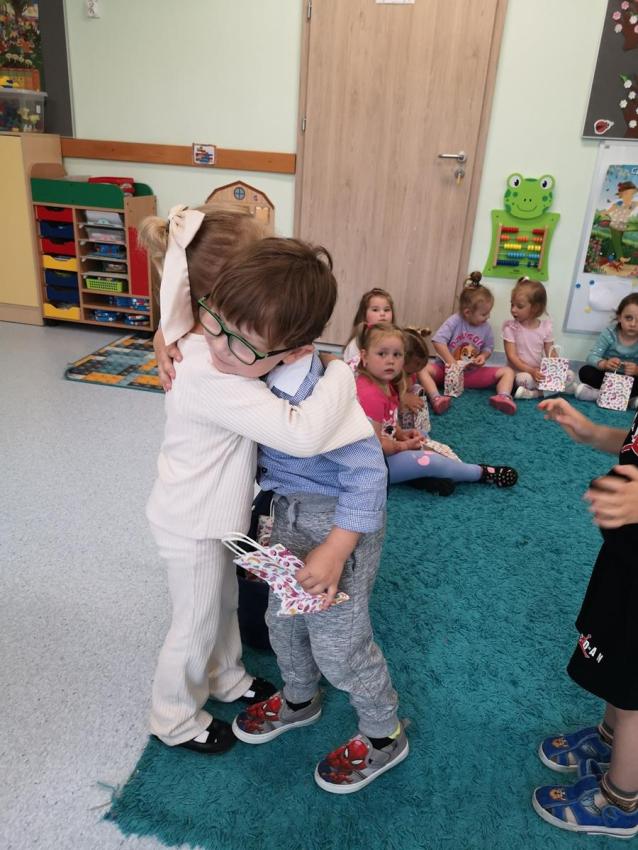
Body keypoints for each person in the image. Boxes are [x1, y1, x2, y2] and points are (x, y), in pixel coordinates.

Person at [143, 206, 373, 756]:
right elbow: (301, 433)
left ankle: (226, 678)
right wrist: (343, 372)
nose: (228, 347)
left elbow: (177, 303)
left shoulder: (197, 334)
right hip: (191, 522)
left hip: (209, 517)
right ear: (216, 298)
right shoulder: (218, 375)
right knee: (194, 624)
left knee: (221, 606)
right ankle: (173, 718)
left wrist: (162, 329)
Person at [230, 251, 409, 796]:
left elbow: (369, 475)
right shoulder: (258, 369)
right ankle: (300, 699)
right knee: (283, 623)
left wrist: (335, 549)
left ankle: (384, 734)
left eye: (238, 340)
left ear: (294, 346)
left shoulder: (322, 394)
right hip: (287, 513)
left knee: (339, 644)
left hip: (337, 526)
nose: (223, 349)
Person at [532, 397, 638, 838]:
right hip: (627, 555)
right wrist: (595, 434)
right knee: (616, 657)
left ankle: (621, 800)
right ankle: (611, 739)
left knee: (634, 691)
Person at [355, 322, 518, 488]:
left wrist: (401, 433)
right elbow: (375, 447)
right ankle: (481, 473)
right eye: (382, 354)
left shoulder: (384, 383)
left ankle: (422, 476)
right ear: (364, 356)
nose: (390, 361)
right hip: (368, 468)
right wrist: (403, 446)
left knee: (421, 434)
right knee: (430, 460)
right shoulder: (371, 395)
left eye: (397, 355)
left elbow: (387, 422)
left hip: (381, 452)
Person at [343, 288, 451, 414]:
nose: (382, 314)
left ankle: (434, 397)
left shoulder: (394, 337)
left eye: (386, 310)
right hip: (364, 387)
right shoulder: (357, 344)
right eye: (375, 310)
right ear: (364, 315)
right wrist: (402, 397)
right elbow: (357, 379)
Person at [427, 271, 517, 414]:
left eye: (489, 313)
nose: (488, 317)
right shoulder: (454, 321)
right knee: (423, 370)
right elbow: (438, 341)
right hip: (447, 374)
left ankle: (503, 396)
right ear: (467, 312)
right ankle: (436, 397)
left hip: (472, 375)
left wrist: (483, 356)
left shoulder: (486, 328)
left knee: (508, 371)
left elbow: (488, 347)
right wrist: (451, 363)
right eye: (484, 314)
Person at [503, 276, 575, 400]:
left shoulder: (545, 328)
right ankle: (555, 390)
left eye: (519, 306)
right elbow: (512, 357)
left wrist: (557, 369)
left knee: (570, 375)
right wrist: (531, 371)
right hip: (520, 371)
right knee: (523, 380)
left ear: (535, 308)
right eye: (512, 304)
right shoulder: (510, 328)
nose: (513, 309)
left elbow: (551, 352)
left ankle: (536, 393)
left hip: (538, 371)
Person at [575, 293, 638, 408]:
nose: (633, 324)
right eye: (628, 318)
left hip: (630, 380)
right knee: (585, 371)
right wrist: (604, 364)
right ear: (619, 317)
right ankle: (626, 400)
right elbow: (592, 357)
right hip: (607, 376)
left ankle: (598, 395)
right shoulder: (609, 333)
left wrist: (636, 370)